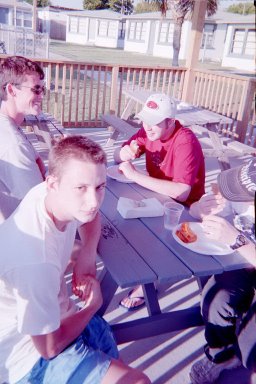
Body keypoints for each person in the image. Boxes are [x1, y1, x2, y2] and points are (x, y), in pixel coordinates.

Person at [0, 135, 151, 384]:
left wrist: (86, 254)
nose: (93, 201)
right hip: (28, 359)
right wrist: (91, 306)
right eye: (81, 188)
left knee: (105, 343)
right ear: (53, 183)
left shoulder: (48, 196)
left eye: (100, 187)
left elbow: (91, 216)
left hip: (58, 316)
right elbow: (49, 348)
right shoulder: (36, 261)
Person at [114, 93, 205, 310]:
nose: (147, 127)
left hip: (187, 209)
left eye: (154, 122)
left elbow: (182, 192)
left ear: (171, 122)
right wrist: (124, 153)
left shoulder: (185, 140)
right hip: (156, 198)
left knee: (140, 228)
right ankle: (139, 271)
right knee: (120, 220)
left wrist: (135, 175)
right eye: (145, 120)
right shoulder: (148, 131)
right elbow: (118, 157)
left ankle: (148, 283)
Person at [189, 158, 256, 384]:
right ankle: (221, 355)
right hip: (243, 264)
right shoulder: (241, 196)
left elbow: (237, 241)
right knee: (216, 299)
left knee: (251, 349)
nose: (239, 196)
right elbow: (208, 211)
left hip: (247, 255)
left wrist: (237, 240)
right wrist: (200, 208)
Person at [0, 55, 46, 223]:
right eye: (36, 89)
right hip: (23, 233)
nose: (41, 96)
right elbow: (40, 208)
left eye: (43, 89)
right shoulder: (14, 145)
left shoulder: (7, 126)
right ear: (11, 90)